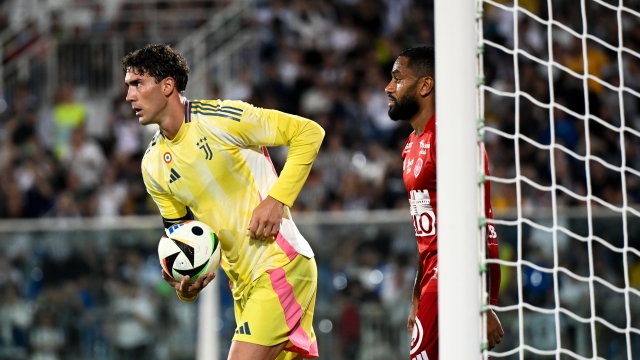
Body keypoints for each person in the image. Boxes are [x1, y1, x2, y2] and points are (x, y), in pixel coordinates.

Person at [122, 44, 324, 360]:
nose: (129, 96)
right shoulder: (152, 167)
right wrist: (185, 288)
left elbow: (309, 133)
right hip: (242, 286)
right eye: (128, 86)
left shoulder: (222, 118)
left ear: (167, 86)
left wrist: (276, 200)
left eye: (137, 84)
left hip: (280, 265)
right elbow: (183, 241)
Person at [384, 45, 504, 360]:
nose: (388, 87)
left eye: (397, 79)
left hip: (456, 276)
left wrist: (484, 303)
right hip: (433, 279)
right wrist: (416, 294)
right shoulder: (411, 145)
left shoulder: (452, 137)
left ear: (425, 85)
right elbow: (427, 233)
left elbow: (483, 224)